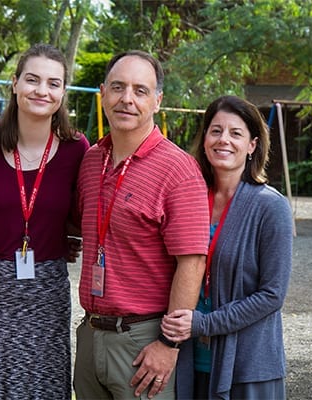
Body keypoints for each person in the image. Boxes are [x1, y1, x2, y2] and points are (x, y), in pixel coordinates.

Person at [0, 43, 89, 399]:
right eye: (32, 80)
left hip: (45, 289)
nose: (42, 91)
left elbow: (83, 211)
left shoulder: (77, 149)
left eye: (53, 83)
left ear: (63, 92)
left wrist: (65, 238)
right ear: (14, 84)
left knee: (41, 386)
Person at [73, 50, 210, 400]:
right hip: (91, 333)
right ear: (103, 92)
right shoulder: (91, 162)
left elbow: (192, 263)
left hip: (144, 340)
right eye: (118, 88)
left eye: (140, 90)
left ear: (158, 100)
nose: (127, 99)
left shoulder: (177, 169)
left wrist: (168, 344)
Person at [161, 95, 293, 400]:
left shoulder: (270, 207)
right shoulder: (188, 198)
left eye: (236, 133)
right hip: (189, 360)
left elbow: (272, 295)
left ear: (252, 145)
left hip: (247, 366)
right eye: (216, 130)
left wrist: (205, 323)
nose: (224, 140)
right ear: (205, 138)